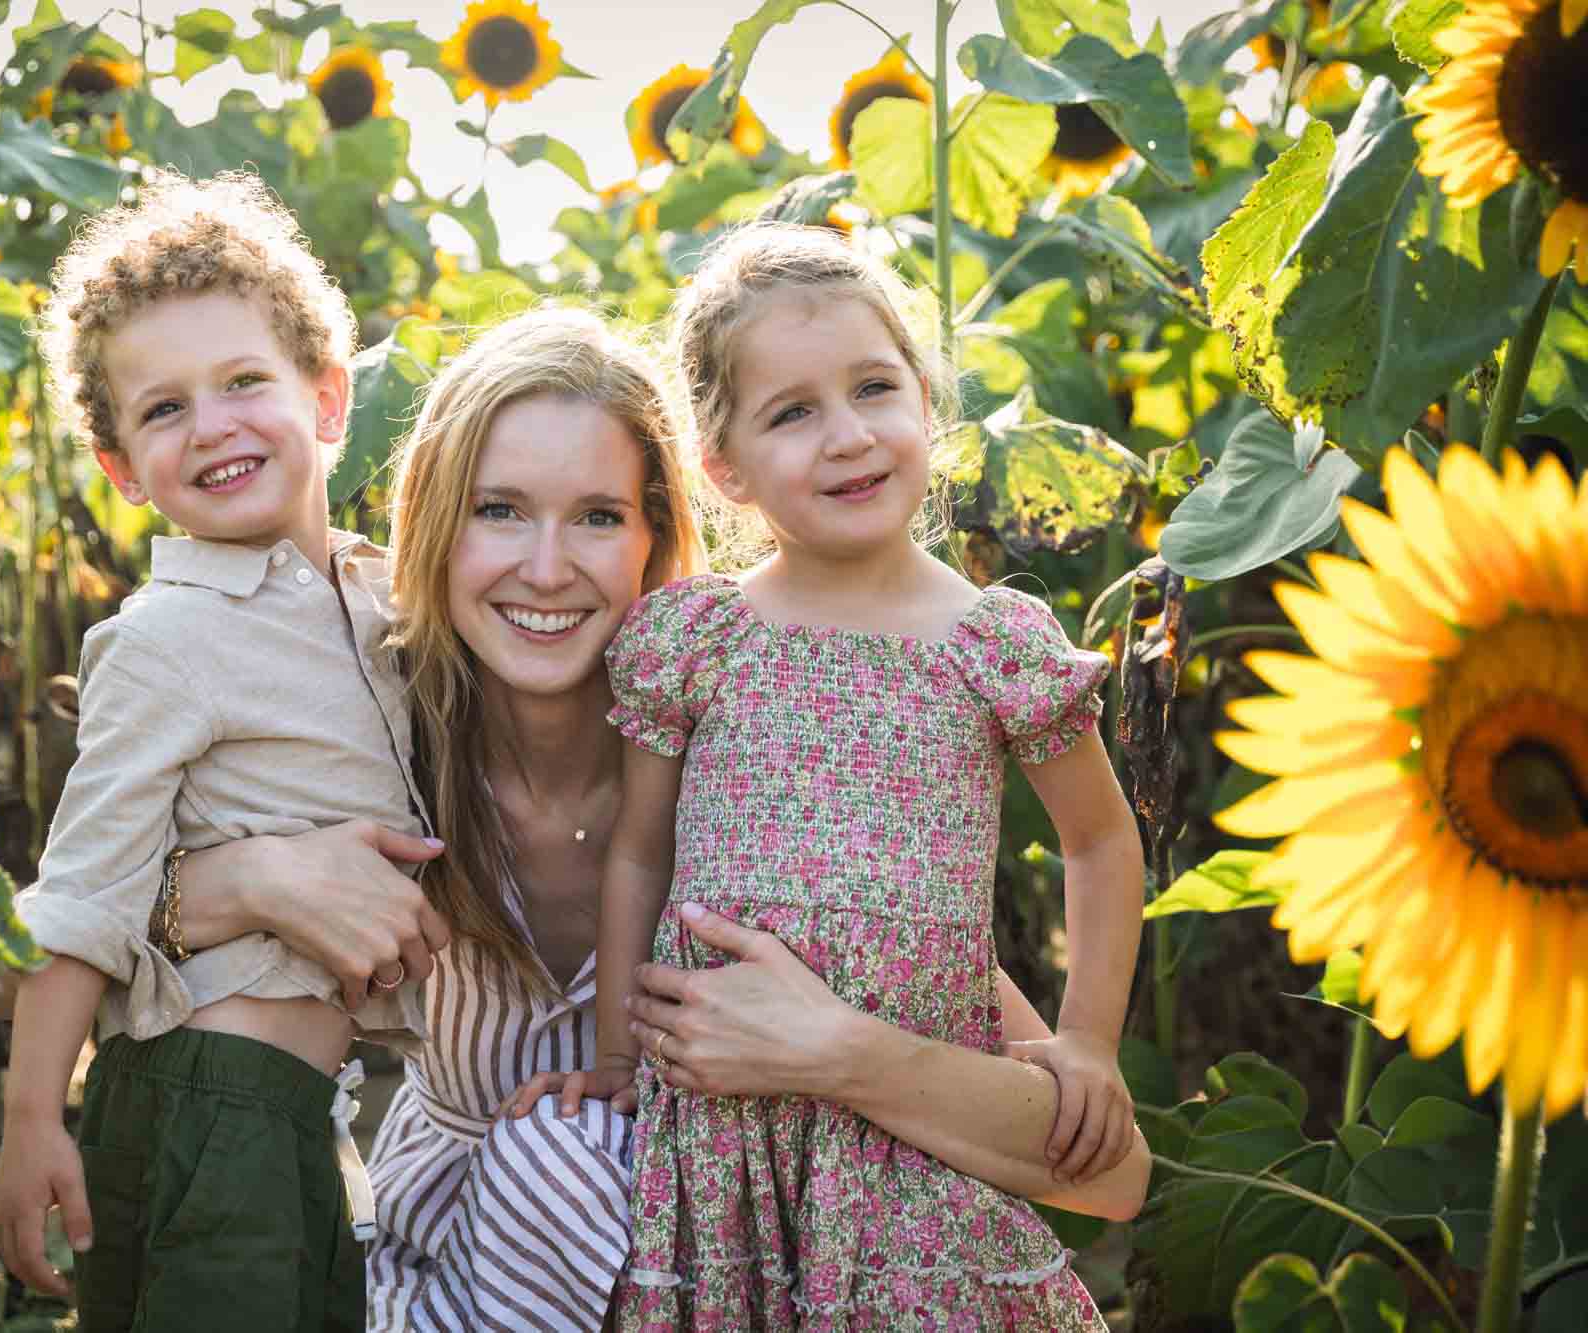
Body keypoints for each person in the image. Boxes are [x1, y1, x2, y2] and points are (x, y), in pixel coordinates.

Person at [162, 297, 1147, 1329]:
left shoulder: (766, 781)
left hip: (731, 1272)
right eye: (497, 510)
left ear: (657, 538)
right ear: (434, 526)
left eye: (596, 515)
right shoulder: (365, 735)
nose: (546, 568)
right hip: (443, 1266)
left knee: (577, 1162)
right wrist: (254, 878)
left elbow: (1108, 1175)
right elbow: (43, 943)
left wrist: (842, 1053)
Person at [572, 222, 1145, 1330]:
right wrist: (612, 1060)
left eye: (873, 389)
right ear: (722, 464)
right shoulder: (698, 638)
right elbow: (639, 849)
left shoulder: (991, 641)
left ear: (926, 401)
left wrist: (1085, 1038)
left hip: (911, 1142)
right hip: (722, 1140)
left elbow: (1098, 839)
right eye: (792, 412)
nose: (847, 437)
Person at [0, 170, 443, 1333]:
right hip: (209, 1099)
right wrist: (34, 1118)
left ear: (329, 399)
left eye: (244, 381)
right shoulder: (163, 641)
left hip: (307, 1102)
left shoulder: (382, 597)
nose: (213, 426)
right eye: (163, 409)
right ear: (119, 469)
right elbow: (83, 893)